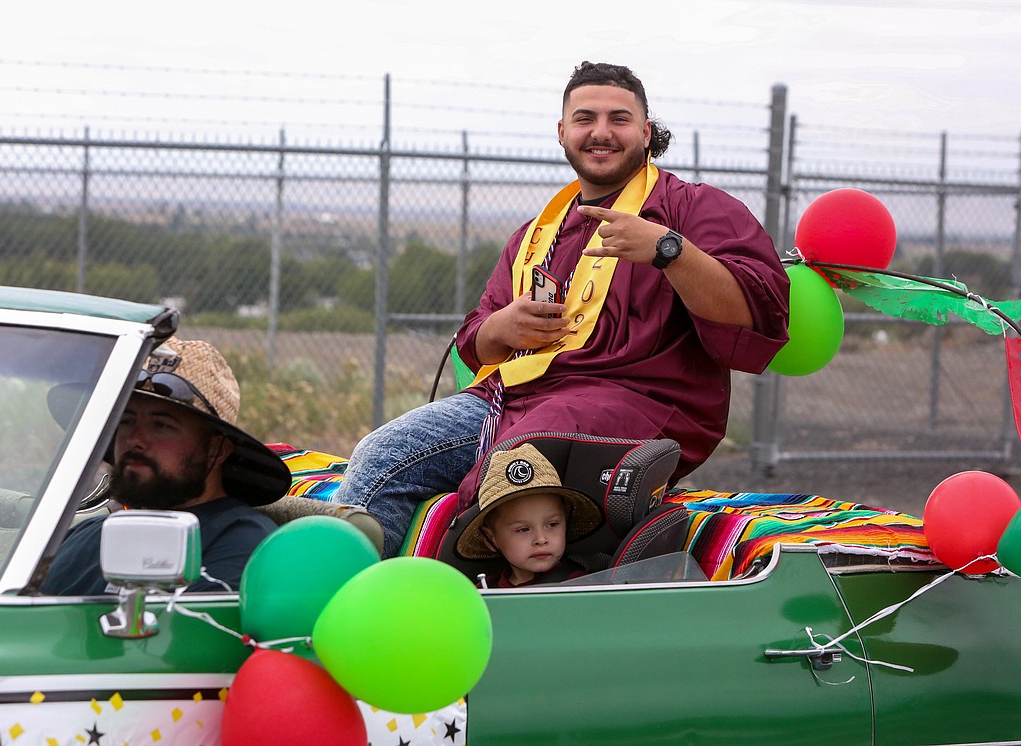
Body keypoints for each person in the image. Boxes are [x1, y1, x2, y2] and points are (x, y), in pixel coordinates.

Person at [336, 60, 790, 558]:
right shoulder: (538, 234)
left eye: (619, 118)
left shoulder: (693, 209)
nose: (601, 132)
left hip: (637, 397)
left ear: (645, 130)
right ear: (562, 132)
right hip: (511, 397)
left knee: (519, 467)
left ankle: (572, 555)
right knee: (383, 454)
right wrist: (503, 326)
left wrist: (669, 251)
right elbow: (475, 341)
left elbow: (757, 311)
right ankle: (348, 598)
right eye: (584, 118)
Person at [41, 337, 291, 595]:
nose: (135, 439)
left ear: (216, 450)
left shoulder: (241, 544)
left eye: (161, 425)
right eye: (126, 421)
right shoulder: (84, 535)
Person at [456, 444, 601, 588]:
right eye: (523, 529)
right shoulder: (484, 593)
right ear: (490, 538)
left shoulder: (580, 588)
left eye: (552, 524)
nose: (541, 539)